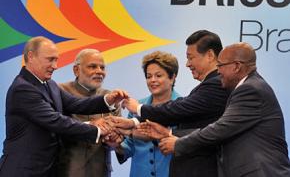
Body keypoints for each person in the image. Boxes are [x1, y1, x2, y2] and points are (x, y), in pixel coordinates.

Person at [0, 36, 127, 177]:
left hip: (46, 171)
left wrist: (108, 100)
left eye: (56, 59)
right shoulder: (23, 88)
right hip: (22, 171)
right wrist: (96, 129)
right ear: (31, 56)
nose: (55, 66)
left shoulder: (50, 84)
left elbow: (77, 104)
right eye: (50, 59)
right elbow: (56, 121)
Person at [157, 42, 290, 177]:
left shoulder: (250, 90)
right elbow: (222, 128)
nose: (218, 71)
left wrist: (179, 144)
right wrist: (170, 133)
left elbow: (220, 129)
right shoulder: (248, 87)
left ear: (237, 66)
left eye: (220, 65)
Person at [122, 30, 230, 177]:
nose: (188, 64)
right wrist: (129, 125)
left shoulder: (216, 84)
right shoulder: (207, 85)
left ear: (210, 55)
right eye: (149, 76)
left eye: (191, 58)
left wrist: (138, 109)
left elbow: (181, 111)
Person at [57, 49, 121, 177]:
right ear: (76, 70)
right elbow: (55, 129)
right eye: (92, 66)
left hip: (100, 171)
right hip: (65, 171)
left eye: (102, 67)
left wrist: (114, 141)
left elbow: (119, 142)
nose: (99, 71)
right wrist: (92, 126)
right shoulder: (60, 92)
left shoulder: (111, 98)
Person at [116, 51, 181, 177]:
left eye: (158, 75)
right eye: (148, 76)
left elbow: (188, 145)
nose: (153, 80)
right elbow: (129, 147)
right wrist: (116, 145)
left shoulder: (184, 106)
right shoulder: (136, 107)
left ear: (172, 77)